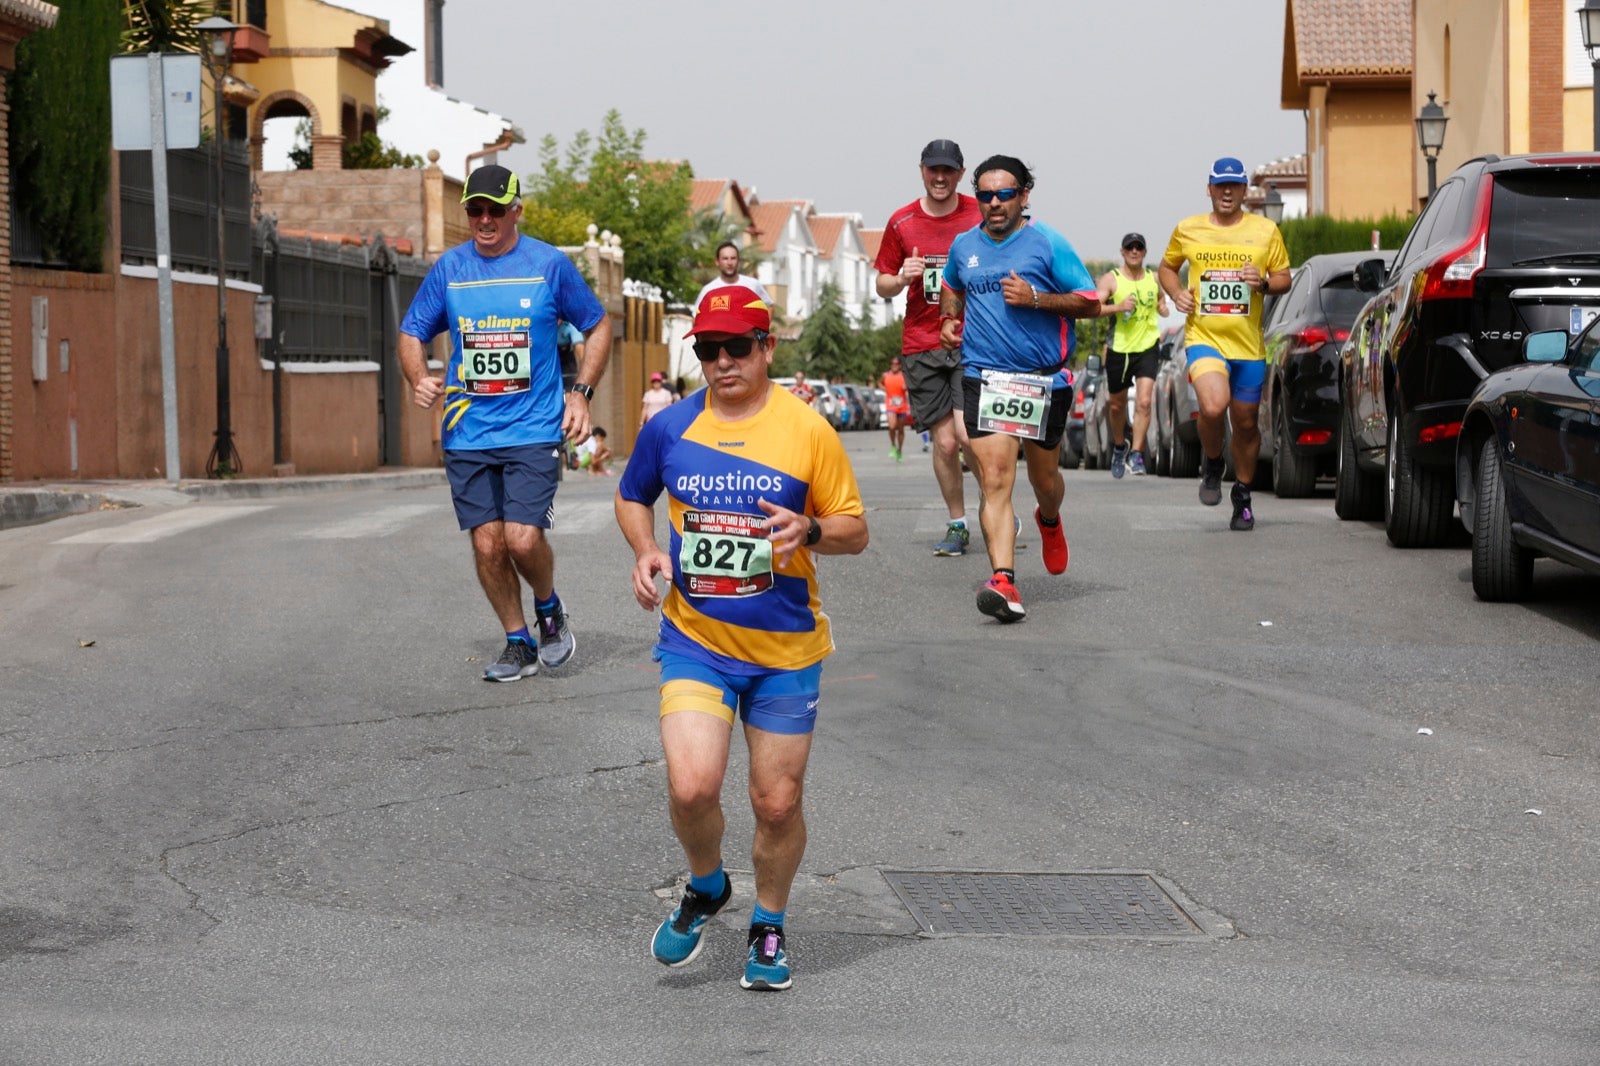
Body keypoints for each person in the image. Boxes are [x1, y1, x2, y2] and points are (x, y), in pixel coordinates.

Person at [615, 285, 868, 992]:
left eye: (736, 348)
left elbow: (854, 527)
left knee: (776, 803)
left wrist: (810, 530)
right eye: (707, 350)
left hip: (786, 650)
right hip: (695, 642)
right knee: (693, 787)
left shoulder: (807, 429)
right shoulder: (671, 428)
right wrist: (644, 550)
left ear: (766, 349)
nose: (721, 362)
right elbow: (633, 494)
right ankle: (706, 886)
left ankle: (769, 922)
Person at [398, 164, 611, 681]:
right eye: (475, 210)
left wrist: (580, 393)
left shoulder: (549, 265)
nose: (485, 219)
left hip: (533, 428)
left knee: (520, 539)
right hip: (467, 430)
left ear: (517, 210)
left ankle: (548, 608)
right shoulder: (450, 269)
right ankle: (518, 640)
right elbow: (411, 332)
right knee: (487, 543)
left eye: (496, 209)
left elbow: (599, 324)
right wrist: (417, 375)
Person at [940, 156, 1100, 623]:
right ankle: (1004, 580)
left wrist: (1036, 298)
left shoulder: (1047, 242)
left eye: (1004, 194)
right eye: (985, 195)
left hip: (1042, 380)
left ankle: (1048, 521)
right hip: (985, 377)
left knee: (1044, 481)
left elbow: (1090, 302)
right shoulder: (963, 245)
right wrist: (950, 319)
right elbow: (952, 286)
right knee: (995, 479)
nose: (994, 203)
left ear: (1023, 196)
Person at [1158, 157, 1290, 531]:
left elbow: (1284, 278)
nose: (1227, 192)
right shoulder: (1189, 229)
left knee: (1246, 424)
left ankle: (1243, 496)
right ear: (1209, 189)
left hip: (1248, 346)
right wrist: (1178, 292)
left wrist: (1262, 283)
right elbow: (1166, 268)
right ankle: (1214, 461)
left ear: (1245, 190)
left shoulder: (1265, 231)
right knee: (1213, 407)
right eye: (1220, 185)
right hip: (1205, 338)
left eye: (1234, 185)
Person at [875, 139, 983, 556]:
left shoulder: (978, 214)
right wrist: (902, 277)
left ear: (959, 173)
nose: (940, 178)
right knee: (945, 443)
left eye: (948, 171)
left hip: (972, 338)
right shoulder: (902, 222)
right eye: (933, 170)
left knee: (968, 436)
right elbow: (881, 283)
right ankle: (958, 523)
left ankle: (994, 504)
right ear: (922, 170)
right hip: (921, 343)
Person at [1096, 233, 1169, 478]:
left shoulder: (1154, 278)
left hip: (1148, 346)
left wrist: (1163, 307)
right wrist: (1118, 307)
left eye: (1139, 248)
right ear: (1123, 252)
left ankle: (1137, 453)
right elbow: (1094, 308)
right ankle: (1119, 446)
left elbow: (1161, 301)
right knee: (1116, 406)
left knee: (1145, 401)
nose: (1135, 252)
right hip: (1119, 348)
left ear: (1145, 252)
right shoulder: (1112, 279)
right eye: (1130, 248)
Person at [692, 241, 773, 310]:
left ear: (738, 260)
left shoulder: (753, 285)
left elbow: (769, 306)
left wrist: (762, 328)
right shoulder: (708, 290)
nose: (729, 263)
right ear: (717, 262)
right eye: (725, 258)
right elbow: (696, 317)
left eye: (733, 258)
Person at [880, 355, 912, 461]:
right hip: (891, 405)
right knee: (892, 426)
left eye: (896, 364)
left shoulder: (903, 375)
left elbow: (909, 386)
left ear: (899, 365)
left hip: (902, 406)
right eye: (892, 364)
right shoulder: (885, 375)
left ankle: (900, 450)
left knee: (901, 429)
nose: (894, 366)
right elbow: (879, 383)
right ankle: (893, 445)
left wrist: (906, 387)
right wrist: (885, 389)